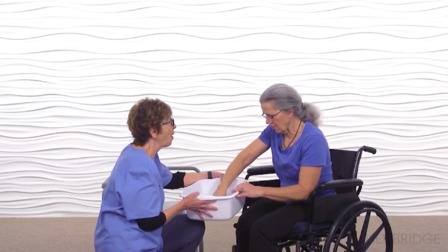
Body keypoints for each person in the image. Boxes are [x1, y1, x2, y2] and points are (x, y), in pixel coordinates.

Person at [214, 83, 334, 252]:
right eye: (265, 115)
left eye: (271, 116)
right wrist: (223, 186)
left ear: (290, 111)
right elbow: (244, 157)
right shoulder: (274, 131)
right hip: (286, 196)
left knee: (262, 230)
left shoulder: (313, 139)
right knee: (246, 222)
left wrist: (260, 190)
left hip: (314, 203)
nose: (267, 121)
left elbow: (303, 191)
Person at [95, 97, 222, 252]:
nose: (174, 126)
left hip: (138, 234)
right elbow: (149, 222)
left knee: (191, 226)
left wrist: (209, 175)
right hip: (126, 245)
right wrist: (184, 205)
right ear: (153, 131)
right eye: (169, 122)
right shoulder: (136, 167)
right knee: (186, 224)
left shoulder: (142, 154)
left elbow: (172, 180)